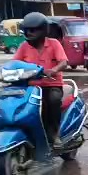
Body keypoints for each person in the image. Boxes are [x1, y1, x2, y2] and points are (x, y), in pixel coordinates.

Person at [12, 12, 69, 148]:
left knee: (53, 100)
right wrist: (0, 73)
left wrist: (53, 70)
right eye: (27, 30)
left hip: (51, 85)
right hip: (30, 86)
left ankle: (54, 134)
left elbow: (64, 62)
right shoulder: (24, 46)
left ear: (43, 30)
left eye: (33, 30)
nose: (29, 33)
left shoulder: (54, 44)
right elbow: (14, 64)